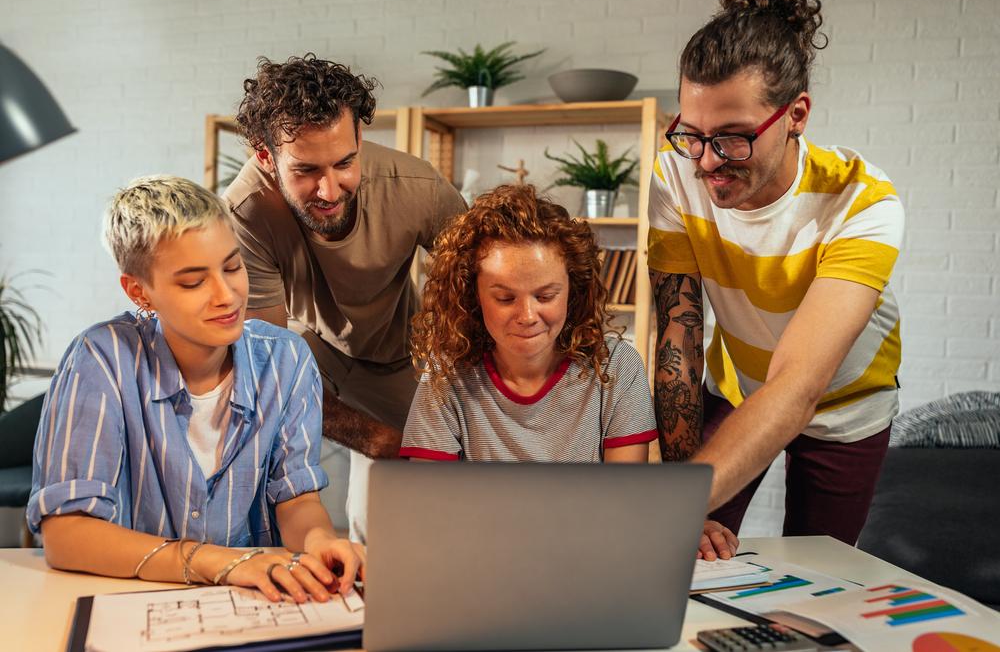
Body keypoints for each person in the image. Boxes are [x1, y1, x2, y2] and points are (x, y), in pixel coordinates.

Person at [647, 0, 904, 544]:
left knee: (818, 570)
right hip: (736, 386)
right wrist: (679, 494)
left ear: (796, 115)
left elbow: (798, 384)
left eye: (734, 140)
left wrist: (668, 507)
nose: (708, 162)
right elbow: (679, 339)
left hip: (843, 406)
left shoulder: (863, 203)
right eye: (693, 135)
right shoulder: (674, 176)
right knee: (690, 553)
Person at [27, 176, 363, 602]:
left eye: (232, 266)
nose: (227, 295)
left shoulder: (286, 360)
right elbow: (67, 535)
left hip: (254, 604)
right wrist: (218, 563)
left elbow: (296, 501)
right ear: (139, 291)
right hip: (129, 606)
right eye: (193, 282)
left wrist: (320, 541)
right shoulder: (101, 360)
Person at [401, 184, 738, 560]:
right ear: (471, 296)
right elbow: (429, 513)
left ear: (573, 292)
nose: (527, 316)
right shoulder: (446, 376)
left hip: (587, 560)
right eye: (504, 298)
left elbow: (623, 503)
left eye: (546, 296)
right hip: (484, 564)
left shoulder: (616, 366)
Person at [223, 54, 467, 542]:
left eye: (345, 162)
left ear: (359, 138)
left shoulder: (416, 188)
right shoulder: (245, 211)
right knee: (371, 525)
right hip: (312, 353)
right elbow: (269, 363)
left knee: (432, 510)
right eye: (307, 170)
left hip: (404, 352)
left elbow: (481, 297)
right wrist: (373, 438)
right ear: (264, 154)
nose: (329, 189)